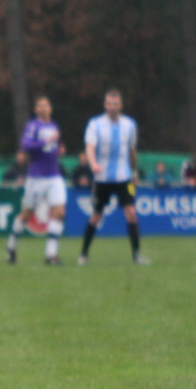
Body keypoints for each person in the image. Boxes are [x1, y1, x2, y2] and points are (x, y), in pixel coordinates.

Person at [78, 89, 149, 265]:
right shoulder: (95, 124)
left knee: (131, 213)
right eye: (109, 104)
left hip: (125, 178)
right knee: (96, 216)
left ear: (120, 105)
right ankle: (84, 254)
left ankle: (136, 255)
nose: (112, 107)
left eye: (115, 104)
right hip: (102, 179)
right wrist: (93, 164)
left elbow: (132, 150)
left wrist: (134, 172)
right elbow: (90, 147)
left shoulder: (129, 125)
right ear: (105, 105)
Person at [5, 96, 67, 265]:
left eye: (46, 105)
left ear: (50, 108)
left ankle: (51, 254)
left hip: (54, 175)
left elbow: (53, 148)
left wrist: (59, 150)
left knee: (60, 212)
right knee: (27, 214)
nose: (43, 108)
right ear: (36, 109)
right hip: (36, 177)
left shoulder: (54, 126)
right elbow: (26, 145)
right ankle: (11, 245)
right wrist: (46, 141)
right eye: (40, 105)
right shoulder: (33, 126)